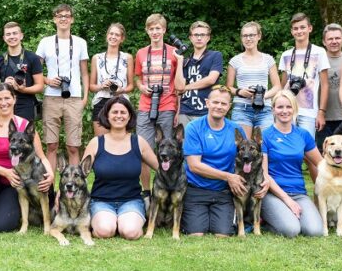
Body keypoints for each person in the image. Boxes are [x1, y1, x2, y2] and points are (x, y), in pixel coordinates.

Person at [0, 83, 54, 232]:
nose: (3, 103)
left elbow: (42, 156)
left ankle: (6, 210)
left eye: (7, 98)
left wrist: (51, 175)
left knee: (2, 225)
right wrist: (5, 172)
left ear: (14, 99)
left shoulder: (25, 125)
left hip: (15, 184)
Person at [182, 86, 264, 237]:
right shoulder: (194, 127)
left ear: (229, 107)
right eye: (215, 102)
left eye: (223, 104)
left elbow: (251, 155)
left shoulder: (235, 129)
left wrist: (265, 180)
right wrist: (228, 176)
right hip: (197, 189)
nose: (219, 106)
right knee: (196, 234)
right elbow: (194, 166)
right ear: (207, 103)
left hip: (224, 191)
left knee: (223, 234)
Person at [81, 96, 159, 240]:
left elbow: (161, 168)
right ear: (107, 116)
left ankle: (124, 222)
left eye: (123, 112)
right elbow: (78, 175)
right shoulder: (96, 143)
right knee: (105, 231)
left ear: (129, 116)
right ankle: (109, 222)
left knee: (130, 233)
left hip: (131, 201)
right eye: (114, 112)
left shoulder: (139, 142)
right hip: (101, 201)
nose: (119, 116)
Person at [261, 90, 323, 237]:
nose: (284, 111)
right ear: (273, 110)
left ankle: (287, 215)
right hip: (273, 193)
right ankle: (265, 221)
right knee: (292, 230)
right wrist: (287, 200)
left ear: (295, 109)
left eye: (288, 107)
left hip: (299, 192)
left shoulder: (303, 135)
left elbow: (322, 165)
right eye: (280, 107)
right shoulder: (265, 135)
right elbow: (264, 175)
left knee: (315, 231)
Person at [134, 14, 185, 194]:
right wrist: (142, 87)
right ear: (147, 31)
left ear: (164, 30)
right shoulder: (141, 53)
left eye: (158, 28)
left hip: (167, 104)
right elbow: (138, 80)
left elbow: (179, 84)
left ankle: (168, 187)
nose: (155, 32)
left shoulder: (173, 52)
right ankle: (147, 191)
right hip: (145, 106)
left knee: (168, 151)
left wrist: (177, 109)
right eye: (151, 28)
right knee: (143, 150)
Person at [36, 4, 89, 169]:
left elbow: (85, 73)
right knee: (51, 145)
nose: (63, 19)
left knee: (73, 146)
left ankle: (72, 189)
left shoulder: (80, 42)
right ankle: (50, 189)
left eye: (67, 15)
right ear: (54, 19)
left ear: (72, 19)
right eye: (60, 16)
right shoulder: (46, 42)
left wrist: (84, 99)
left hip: (74, 98)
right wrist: (48, 81)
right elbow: (35, 72)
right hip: (52, 97)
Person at [277, 13, 330, 140]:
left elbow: (325, 85)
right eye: (295, 28)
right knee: (287, 147)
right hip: (287, 111)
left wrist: (321, 112)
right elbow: (282, 86)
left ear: (309, 28)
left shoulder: (319, 52)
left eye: (302, 27)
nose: (299, 31)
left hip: (309, 111)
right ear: (291, 31)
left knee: (308, 149)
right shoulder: (286, 55)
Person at [226, 21, 281, 138]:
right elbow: (228, 87)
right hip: (242, 108)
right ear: (241, 38)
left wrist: (261, 96)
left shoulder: (268, 59)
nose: (248, 39)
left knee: (266, 144)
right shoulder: (235, 61)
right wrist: (240, 92)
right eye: (245, 36)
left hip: (265, 109)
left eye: (252, 35)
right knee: (242, 146)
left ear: (259, 36)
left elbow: (277, 87)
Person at [0, 22, 44, 121]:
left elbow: (40, 86)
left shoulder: (32, 58)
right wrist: (3, 86)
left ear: (21, 36)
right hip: (4, 104)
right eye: (8, 34)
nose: (12, 36)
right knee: (3, 134)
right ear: (4, 38)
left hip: (25, 104)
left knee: (23, 135)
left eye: (15, 33)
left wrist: (23, 89)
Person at [89, 23, 134, 135]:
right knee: (101, 142)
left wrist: (121, 90)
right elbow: (91, 86)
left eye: (117, 35)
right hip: (101, 102)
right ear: (107, 35)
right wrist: (101, 86)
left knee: (122, 141)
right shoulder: (97, 58)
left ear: (122, 39)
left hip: (121, 101)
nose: (113, 37)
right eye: (111, 33)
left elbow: (131, 86)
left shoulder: (127, 58)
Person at [177, 21, 223, 127]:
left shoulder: (215, 56)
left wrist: (186, 87)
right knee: (185, 143)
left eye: (202, 35)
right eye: (196, 35)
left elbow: (211, 79)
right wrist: (179, 61)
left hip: (206, 111)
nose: (199, 38)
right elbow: (179, 89)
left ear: (208, 38)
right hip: (185, 112)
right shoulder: (185, 61)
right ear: (190, 38)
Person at [316, 23, 342, 149]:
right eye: (330, 39)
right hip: (322, 118)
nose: (334, 41)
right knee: (322, 154)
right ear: (324, 42)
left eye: (337, 38)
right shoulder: (317, 60)